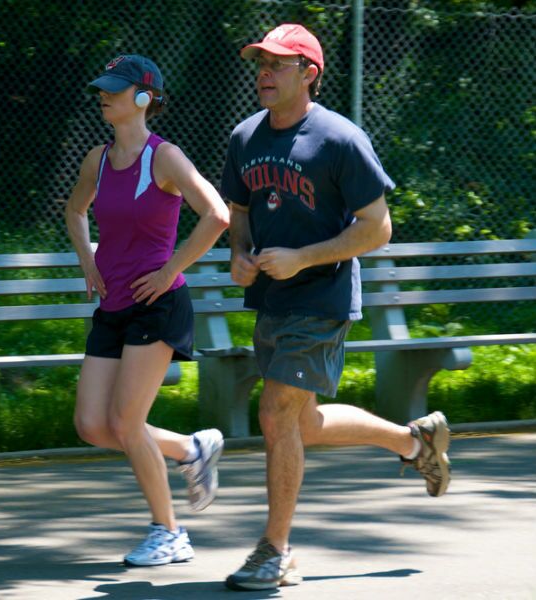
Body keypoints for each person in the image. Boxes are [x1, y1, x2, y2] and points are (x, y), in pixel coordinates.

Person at [221, 24, 452, 590]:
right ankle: (414, 441)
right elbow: (239, 210)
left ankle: (276, 550)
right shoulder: (245, 136)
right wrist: (240, 252)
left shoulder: (340, 140)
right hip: (272, 299)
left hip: (321, 300)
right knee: (301, 422)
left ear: (309, 74)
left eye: (278, 64)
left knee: (275, 413)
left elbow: (378, 228)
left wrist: (302, 257)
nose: (264, 73)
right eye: (260, 62)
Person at [65, 54, 230, 567]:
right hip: (113, 303)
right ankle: (189, 450)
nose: (103, 96)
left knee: (126, 421)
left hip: (158, 306)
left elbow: (218, 214)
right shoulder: (97, 158)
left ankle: (170, 533)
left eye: (115, 89)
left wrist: (169, 270)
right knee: (93, 425)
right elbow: (74, 210)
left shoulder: (165, 158)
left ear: (143, 98)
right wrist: (88, 260)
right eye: (102, 88)